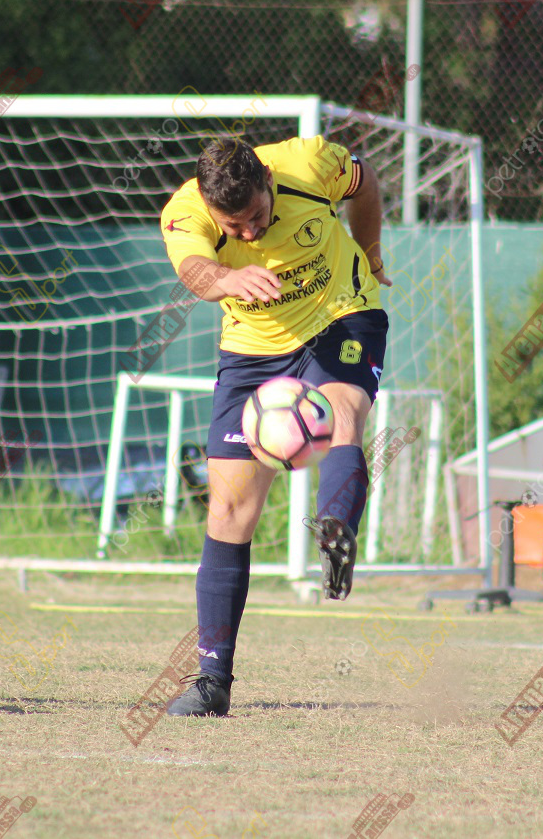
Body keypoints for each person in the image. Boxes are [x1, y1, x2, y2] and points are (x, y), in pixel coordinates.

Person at [156, 133, 391, 717]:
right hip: (253, 349)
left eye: (257, 217)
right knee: (229, 510)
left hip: (341, 315)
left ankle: (336, 528)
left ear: (267, 180)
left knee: (341, 413)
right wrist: (225, 279)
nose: (249, 234)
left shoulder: (309, 162)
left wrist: (370, 252)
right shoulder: (185, 209)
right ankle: (212, 683)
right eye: (233, 227)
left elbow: (366, 185)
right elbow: (192, 269)